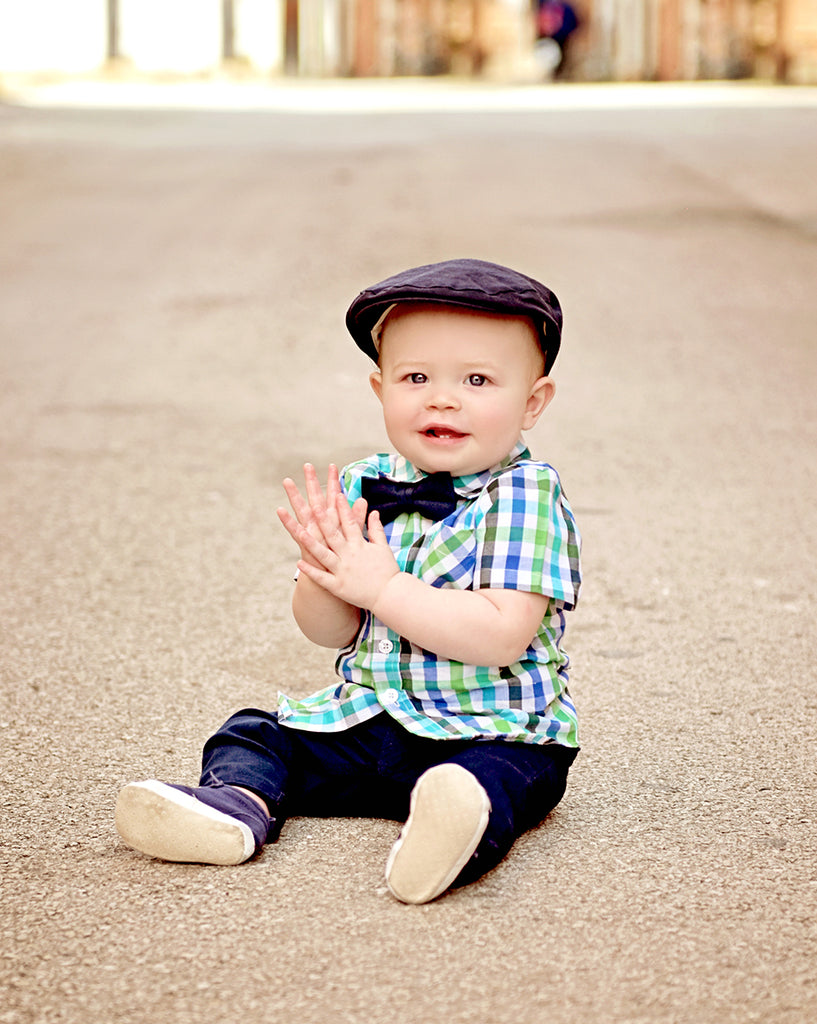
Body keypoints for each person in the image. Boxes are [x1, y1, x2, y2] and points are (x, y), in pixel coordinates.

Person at [115, 258, 582, 904]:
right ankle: (236, 806)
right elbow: (328, 631)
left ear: (532, 402)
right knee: (254, 731)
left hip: (493, 728)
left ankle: (449, 832)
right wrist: (324, 575)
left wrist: (384, 587)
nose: (441, 397)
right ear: (379, 388)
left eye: (477, 379)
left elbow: (502, 636)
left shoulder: (524, 495)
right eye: (415, 377)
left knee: (494, 780)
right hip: (374, 722)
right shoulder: (364, 484)